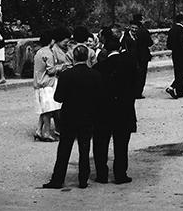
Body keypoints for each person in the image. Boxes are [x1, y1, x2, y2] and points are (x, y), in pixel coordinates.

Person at [42, 45, 103, 190]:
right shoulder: (95, 74)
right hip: (88, 115)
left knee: (64, 148)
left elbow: (58, 97)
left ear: (74, 57)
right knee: (84, 147)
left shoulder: (66, 75)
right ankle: (83, 179)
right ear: (87, 57)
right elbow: (100, 97)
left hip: (69, 114)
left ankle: (58, 179)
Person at [93, 36, 137, 184]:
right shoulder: (130, 64)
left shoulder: (99, 67)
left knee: (101, 143)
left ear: (105, 49)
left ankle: (101, 174)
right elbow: (136, 87)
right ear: (119, 48)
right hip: (124, 109)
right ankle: (120, 174)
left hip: (103, 110)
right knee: (121, 144)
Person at [32, 31, 64, 142]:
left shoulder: (39, 52)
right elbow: (51, 71)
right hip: (47, 84)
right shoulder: (48, 53)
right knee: (48, 110)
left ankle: (39, 130)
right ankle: (46, 132)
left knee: (43, 109)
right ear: (51, 41)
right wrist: (61, 67)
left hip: (39, 83)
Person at [165, 14, 183, 99]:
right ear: (182, 20)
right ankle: (172, 87)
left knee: (178, 71)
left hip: (175, 53)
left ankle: (180, 91)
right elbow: (182, 42)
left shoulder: (172, 29)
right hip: (182, 53)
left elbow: (168, 44)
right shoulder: (182, 29)